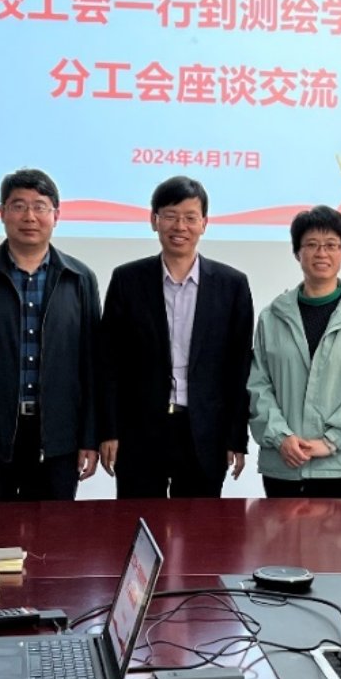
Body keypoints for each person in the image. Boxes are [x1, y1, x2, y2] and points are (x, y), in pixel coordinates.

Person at [0, 167, 100, 502]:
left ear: (56, 215)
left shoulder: (79, 278)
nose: (29, 216)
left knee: (53, 531)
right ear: (2, 213)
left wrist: (90, 437)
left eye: (40, 206)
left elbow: (91, 365)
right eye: (18, 206)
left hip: (58, 439)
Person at [98, 176, 254, 498]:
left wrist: (236, 439)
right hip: (139, 432)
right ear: (154, 220)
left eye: (190, 217)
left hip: (205, 433)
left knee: (199, 524)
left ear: (204, 224)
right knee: (139, 520)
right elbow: (109, 362)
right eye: (170, 216)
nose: (179, 226)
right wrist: (108, 431)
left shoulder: (232, 285)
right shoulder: (127, 280)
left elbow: (239, 368)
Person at [249, 206, 341, 498]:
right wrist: (281, 437)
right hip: (285, 465)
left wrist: (331, 441)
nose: (321, 253)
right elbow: (258, 386)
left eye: (331, 245)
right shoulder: (272, 317)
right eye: (311, 244)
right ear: (297, 252)